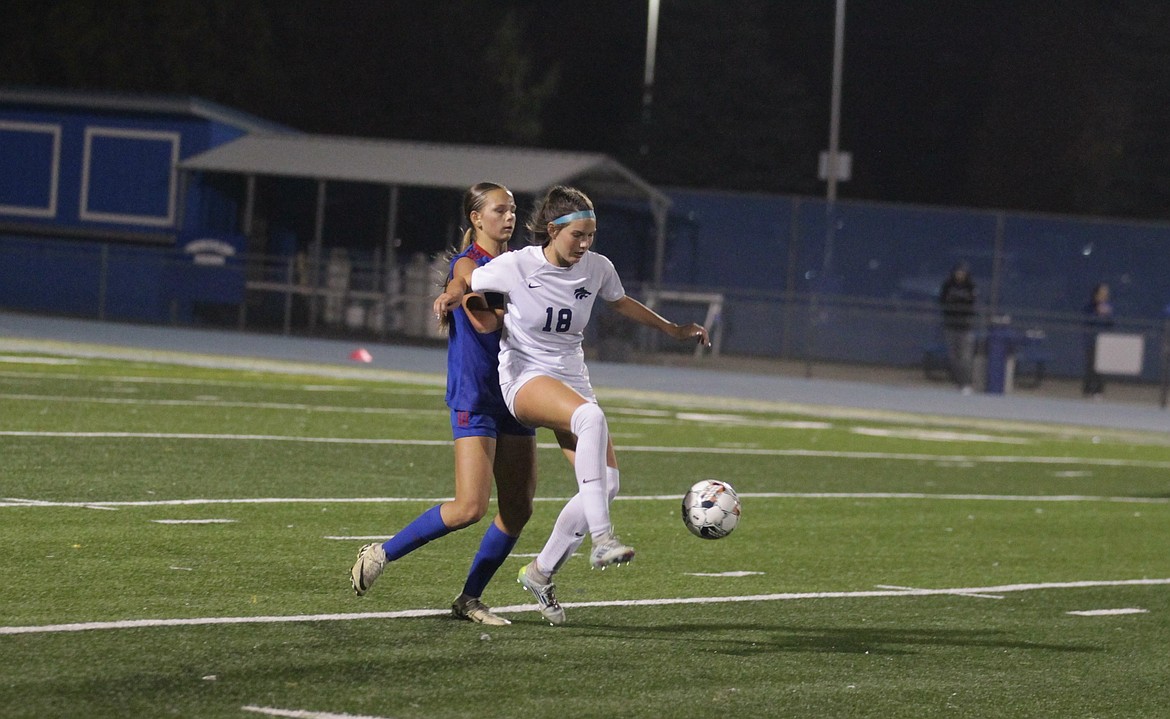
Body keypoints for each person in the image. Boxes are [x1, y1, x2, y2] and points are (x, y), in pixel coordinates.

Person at [434, 185, 710, 625]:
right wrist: (452, 291)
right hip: (523, 379)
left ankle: (541, 571)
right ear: (552, 230)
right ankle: (602, 538)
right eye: (577, 236)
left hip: (570, 380)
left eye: (591, 236)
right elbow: (467, 269)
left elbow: (623, 303)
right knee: (589, 417)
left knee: (608, 482)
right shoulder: (517, 264)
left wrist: (675, 330)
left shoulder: (596, 268)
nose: (585, 245)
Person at [350, 182, 537, 626]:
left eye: (513, 210)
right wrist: (455, 294)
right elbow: (463, 281)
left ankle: (469, 598)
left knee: (518, 509)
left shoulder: (521, 264)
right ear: (476, 218)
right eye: (499, 210)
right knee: (470, 507)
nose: (509, 217)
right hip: (476, 393)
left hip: (517, 393)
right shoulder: (470, 262)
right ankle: (380, 553)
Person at [939, 262, 977, 394]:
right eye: (958, 272)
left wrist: (959, 301)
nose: (960, 275)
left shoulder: (970, 286)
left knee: (965, 358)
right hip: (951, 326)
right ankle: (957, 382)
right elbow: (943, 302)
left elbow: (971, 304)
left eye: (962, 272)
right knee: (953, 357)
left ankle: (967, 383)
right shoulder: (948, 285)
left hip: (965, 328)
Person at [1082, 282, 1114, 398]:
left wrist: (1107, 315)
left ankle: (1099, 390)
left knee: (1102, 366)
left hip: (1104, 341)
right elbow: (1087, 321)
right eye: (1102, 292)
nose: (1105, 295)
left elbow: (1110, 323)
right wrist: (1097, 313)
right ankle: (1088, 389)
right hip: (1092, 340)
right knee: (1091, 366)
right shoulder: (1090, 306)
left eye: (1106, 293)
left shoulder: (1108, 306)